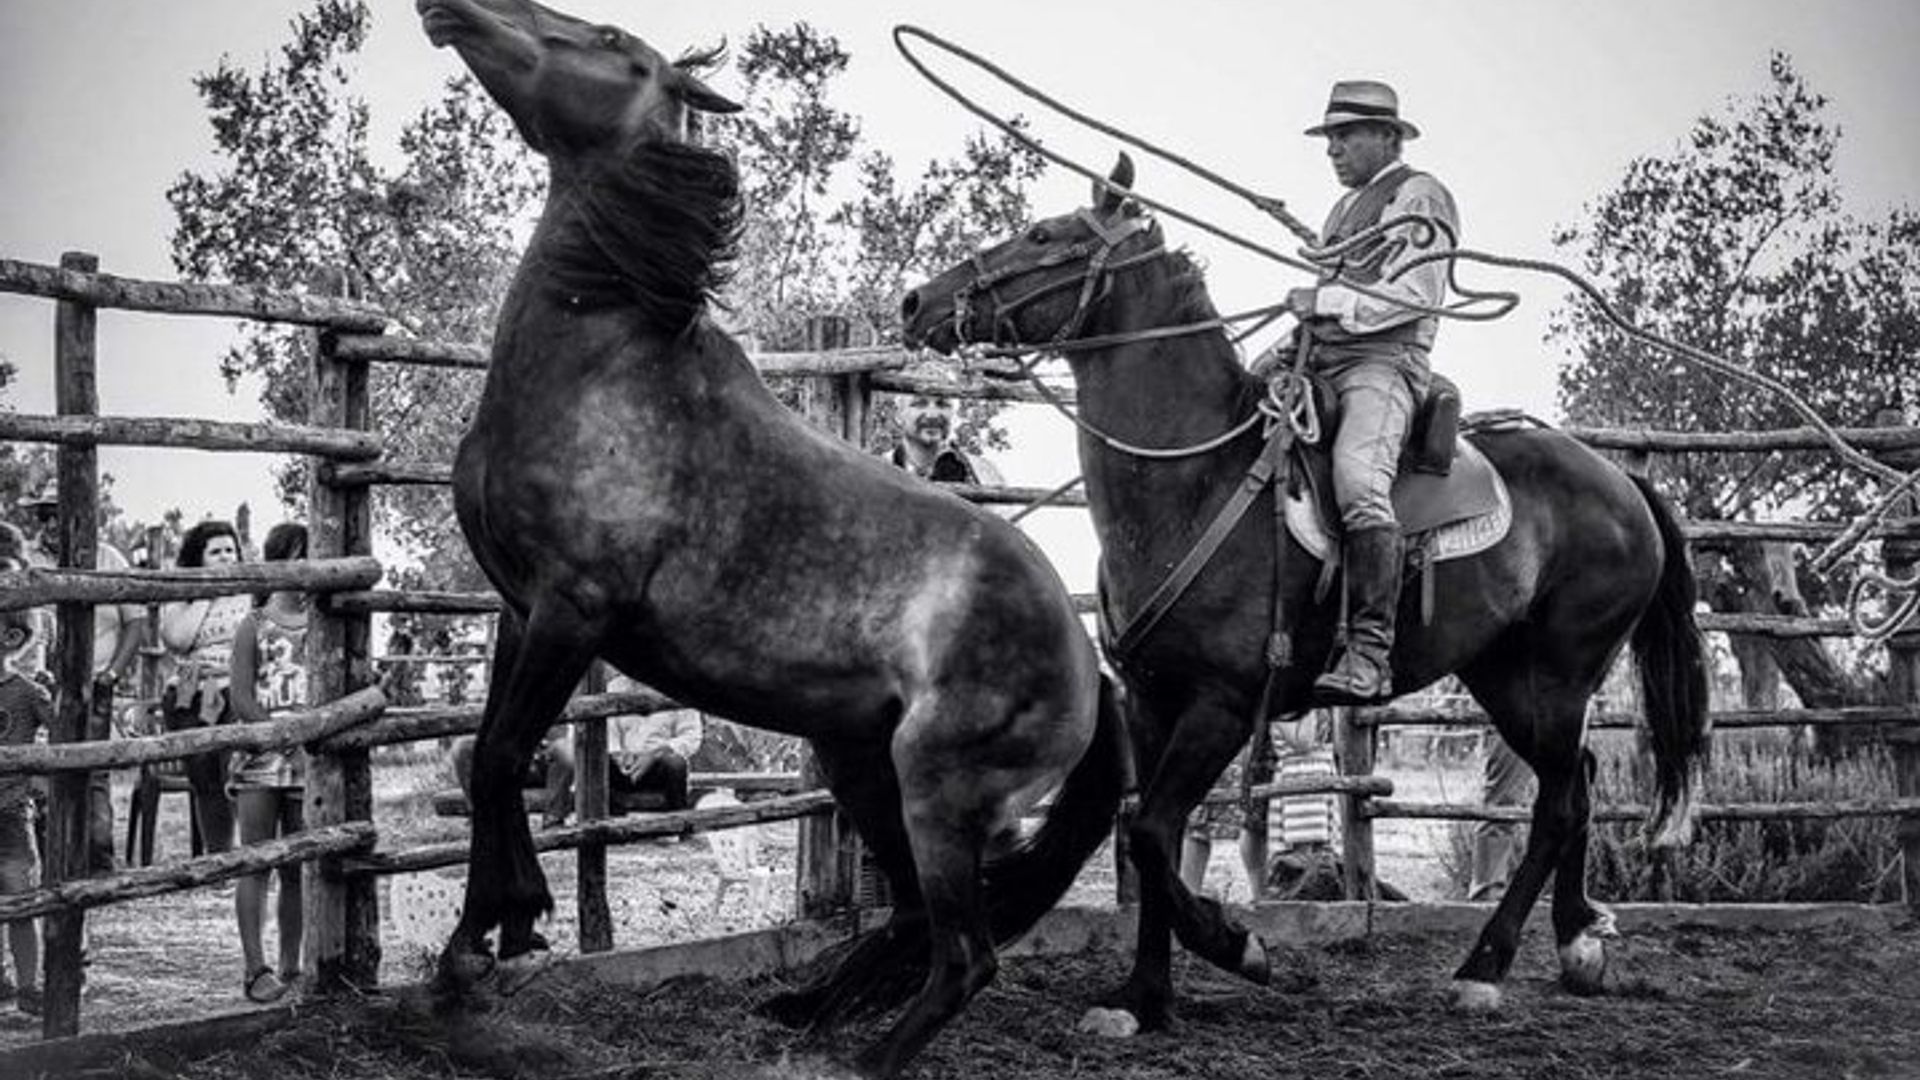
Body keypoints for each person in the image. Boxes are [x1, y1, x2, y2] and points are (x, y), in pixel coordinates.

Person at [1278, 80, 1459, 706]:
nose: (1333, 149)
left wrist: (1321, 300)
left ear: (1389, 137)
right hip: (1324, 355)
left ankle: (1369, 652)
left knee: (1358, 482)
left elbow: (1413, 295)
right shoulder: (1343, 210)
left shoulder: (1421, 196)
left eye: (1346, 135)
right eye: (1329, 137)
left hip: (1384, 364)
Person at [15, 482, 144, 876]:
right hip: (38, 685)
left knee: (94, 774)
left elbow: (135, 621)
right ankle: (47, 866)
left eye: (60, 514)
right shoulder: (27, 561)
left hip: (95, 682)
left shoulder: (109, 558)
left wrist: (113, 674)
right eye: (46, 515)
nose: (53, 523)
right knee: (36, 772)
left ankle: (98, 863)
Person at [224, 522, 311, 1003]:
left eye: (309, 560)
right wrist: (280, 738)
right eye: (292, 559)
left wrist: (307, 740)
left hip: (307, 758)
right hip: (261, 755)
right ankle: (254, 968)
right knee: (255, 859)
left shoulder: (325, 623)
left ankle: (292, 964)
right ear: (275, 563)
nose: (300, 571)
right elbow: (240, 697)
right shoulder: (253, 625)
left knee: (296, 865)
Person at [156, 519, 249, 854]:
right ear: (199, 558)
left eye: (230, 551)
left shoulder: (251, 593)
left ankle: (249, 856)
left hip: (235, 692)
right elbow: (178, 639)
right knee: (205, 781)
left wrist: (229, 665)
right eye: (216, 552)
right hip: (189, 695)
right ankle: (218, 855)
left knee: (237, 776)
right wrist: (207, 593)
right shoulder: (183, 595)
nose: (226, 557)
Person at [0, 564, 50, 1017]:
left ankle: (30, 986)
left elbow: (60, 734)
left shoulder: (28, 692)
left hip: (13, 812)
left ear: (11, 640)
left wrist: (43, 773)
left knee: (20, 901)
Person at [606, 672, 703, 815]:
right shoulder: (615, 687)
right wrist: (618, 755)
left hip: (658, 768)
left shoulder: (679, 686)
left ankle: (680, 826)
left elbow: (692, 736)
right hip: (624, 766)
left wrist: (655, 754)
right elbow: (609, 732)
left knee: (676, 763)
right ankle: (611, 829)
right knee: (599, 762)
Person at [450, 726, 576, 829]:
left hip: (541, 762)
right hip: (506, 759)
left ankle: (554, 818)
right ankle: (482, 817)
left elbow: (558, 736)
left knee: (562, 749)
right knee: (462, 747)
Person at [1466, 731, 1534, 901]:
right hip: (1521, 717)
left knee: (1568, 804)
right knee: (1502, 802)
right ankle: (1487, 892)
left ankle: (1565, 891)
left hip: (1560, 717)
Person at [886, 394, 1004, 486]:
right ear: (898, 414)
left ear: (954, 412)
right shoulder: (877, 469)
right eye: (919, 404)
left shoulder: (983, 474)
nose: (932, 415)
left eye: (942, 404)